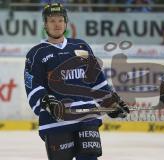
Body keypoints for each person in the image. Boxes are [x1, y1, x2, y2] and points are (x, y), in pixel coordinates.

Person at [24, 3, 129, 160]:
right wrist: (47, 102)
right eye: (52, 20)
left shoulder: (81, 46)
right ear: (45, 24)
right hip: (57, 122)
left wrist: (111, 102)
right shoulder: (36, 53)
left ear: (66, 22)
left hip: (87, 117)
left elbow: (97, 81)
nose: (57, 24)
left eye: (60, 20)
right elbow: (33, 85)